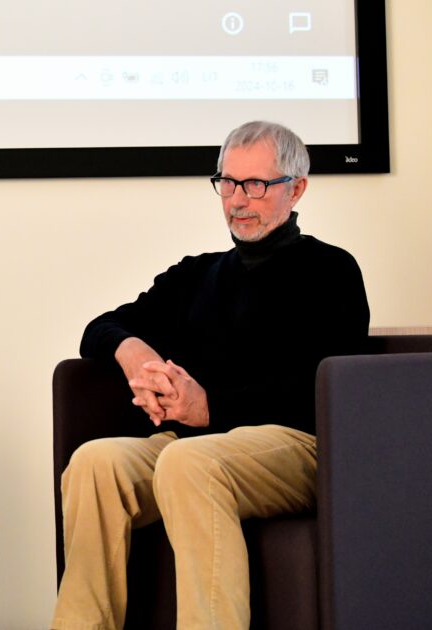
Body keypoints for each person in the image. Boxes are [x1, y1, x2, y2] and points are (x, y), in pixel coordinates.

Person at [51, 121, 370, 630]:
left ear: (297, 188)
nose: (238, 199)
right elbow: (101, 328)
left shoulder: (331, 270)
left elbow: (324, 389)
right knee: (96, 462)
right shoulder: (196, 274)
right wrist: (137, 357)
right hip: (197, 444)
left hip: (297, 445)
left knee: (187, 461)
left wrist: (210, 406)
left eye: (256, 184)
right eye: (228, 182)